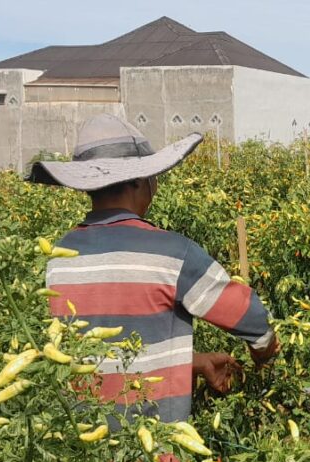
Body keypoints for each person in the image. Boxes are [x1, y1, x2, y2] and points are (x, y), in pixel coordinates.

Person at [30, 114, 281, 432]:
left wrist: (195, 362)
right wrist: (264, 350)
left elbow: (106, 354)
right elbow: (249, 316)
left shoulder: (60, 255)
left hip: (84, 446)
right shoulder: (172, 253)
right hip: (153, 450)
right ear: (138, 181)